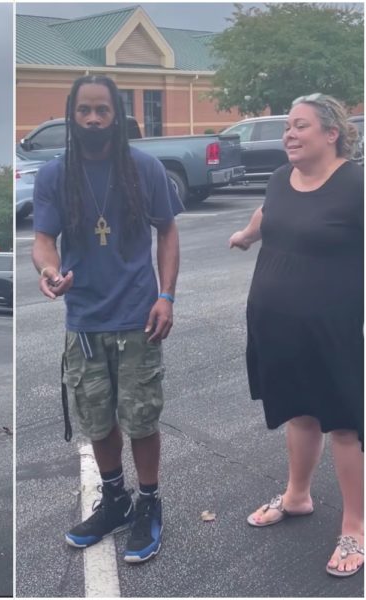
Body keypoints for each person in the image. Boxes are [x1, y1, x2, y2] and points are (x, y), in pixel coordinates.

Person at [32, 74, 183, 563]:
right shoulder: (56, 175)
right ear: (72, 117)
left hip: (139, 315)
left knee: (141, 419)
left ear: (116, 116)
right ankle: (115, 500)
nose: (94, 118)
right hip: (86, 321)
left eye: (102, 110)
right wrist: (49, 271)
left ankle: (149, 503)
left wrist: (166, 296)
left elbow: (168, 233)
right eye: (85, 111)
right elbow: (42, 241)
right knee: (97, 419)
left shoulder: (144, 168)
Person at [229, 93, 363, 577]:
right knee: (299, 413)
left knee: (345, 425)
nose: (289, 133)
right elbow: (269, 212)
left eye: (300, 125)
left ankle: (355, 526)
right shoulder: (281, 177)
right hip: (275, 322)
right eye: (288, 125)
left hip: (336, 328)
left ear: (331, 134)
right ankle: (297, 496)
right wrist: (247, 235)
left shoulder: (357, 183)